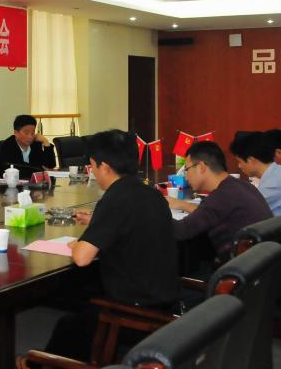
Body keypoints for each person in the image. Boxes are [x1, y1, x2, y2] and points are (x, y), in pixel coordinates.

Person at [32, 129, 179, 365]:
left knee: (68, 326)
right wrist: (98, 220)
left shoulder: (115, 198)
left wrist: (77, 243)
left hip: (135, 310)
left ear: (105, 167)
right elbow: (132, 222)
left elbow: (82, 258)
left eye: (92, 166)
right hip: (165, 299)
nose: (92, 171)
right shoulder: (149, 192)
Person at [168, 141, 273, 259]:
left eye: (187, 169)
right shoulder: (242, 186)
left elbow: (182, 231)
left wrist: (155, 209)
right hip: (264, 262)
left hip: (244, 267)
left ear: (201, 167)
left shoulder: (221, 196)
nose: (185, 176)